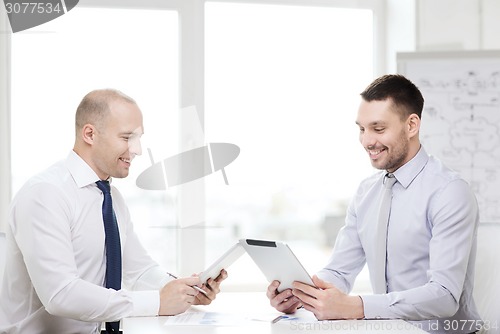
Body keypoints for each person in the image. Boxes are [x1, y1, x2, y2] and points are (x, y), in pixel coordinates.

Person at [267, 74, 481, 333]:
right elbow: (339, 272)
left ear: (412, 125)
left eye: (378, 129)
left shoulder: (449, 192)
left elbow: (444, 297)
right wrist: (303, 297)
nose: (367, 141)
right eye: (362, 128)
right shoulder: (366, 192)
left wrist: (357, 307)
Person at [0, 89, 227, 333]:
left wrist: (184, 290)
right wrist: (158, 302)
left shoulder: (111, 198)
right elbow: (60, 294)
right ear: (90, 134)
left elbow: (139, 271)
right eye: (127, 137)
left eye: (139, 138)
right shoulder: (45, 194)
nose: (138, 149)